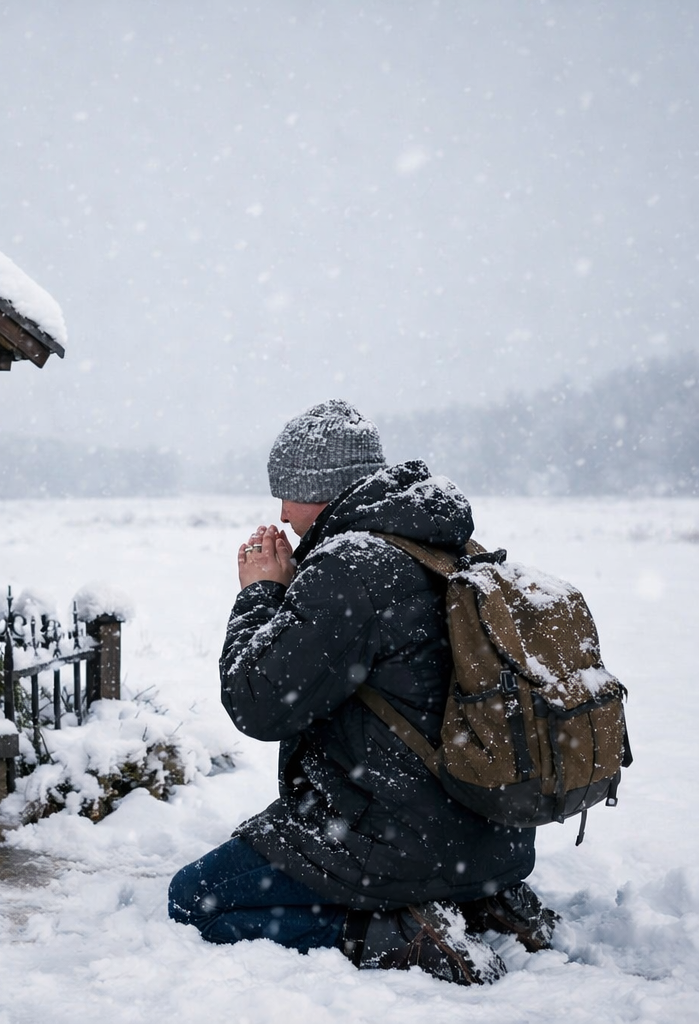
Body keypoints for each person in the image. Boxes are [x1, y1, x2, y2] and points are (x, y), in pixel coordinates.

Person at [168, 400, 556, 984]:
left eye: (288, 493)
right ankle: (480, 903)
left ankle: (400, 934)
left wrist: (260, 594)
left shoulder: (353, 564)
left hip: (402, 841)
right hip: (491, 834)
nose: (282, 512)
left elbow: (257, 701)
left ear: (322, 489)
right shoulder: (439, 546)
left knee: (197, 898)